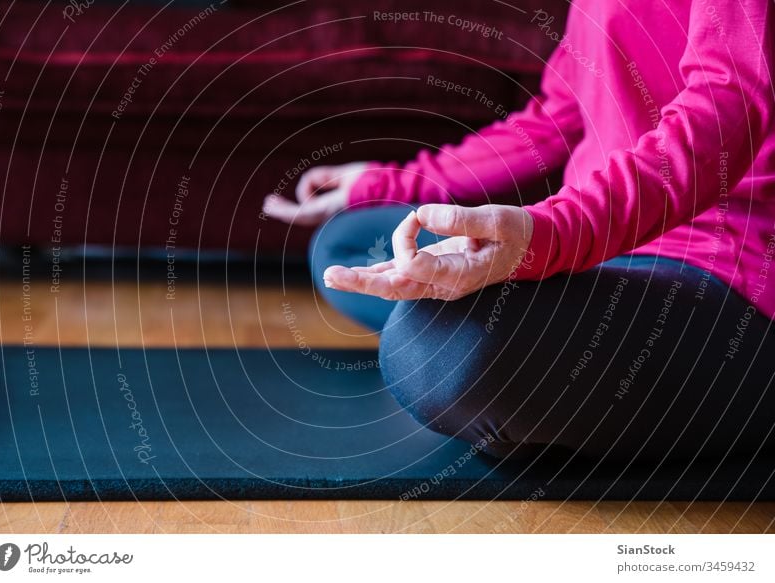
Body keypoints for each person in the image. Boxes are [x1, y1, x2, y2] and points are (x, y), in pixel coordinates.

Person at [263, 0, 775, 464]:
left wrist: (547, 234)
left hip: (725, 267)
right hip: (603, 249)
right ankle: (547, 387)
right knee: (348, 243)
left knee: (433, 351)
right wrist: (387, 182)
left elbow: (726, 109)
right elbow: (560, 113)